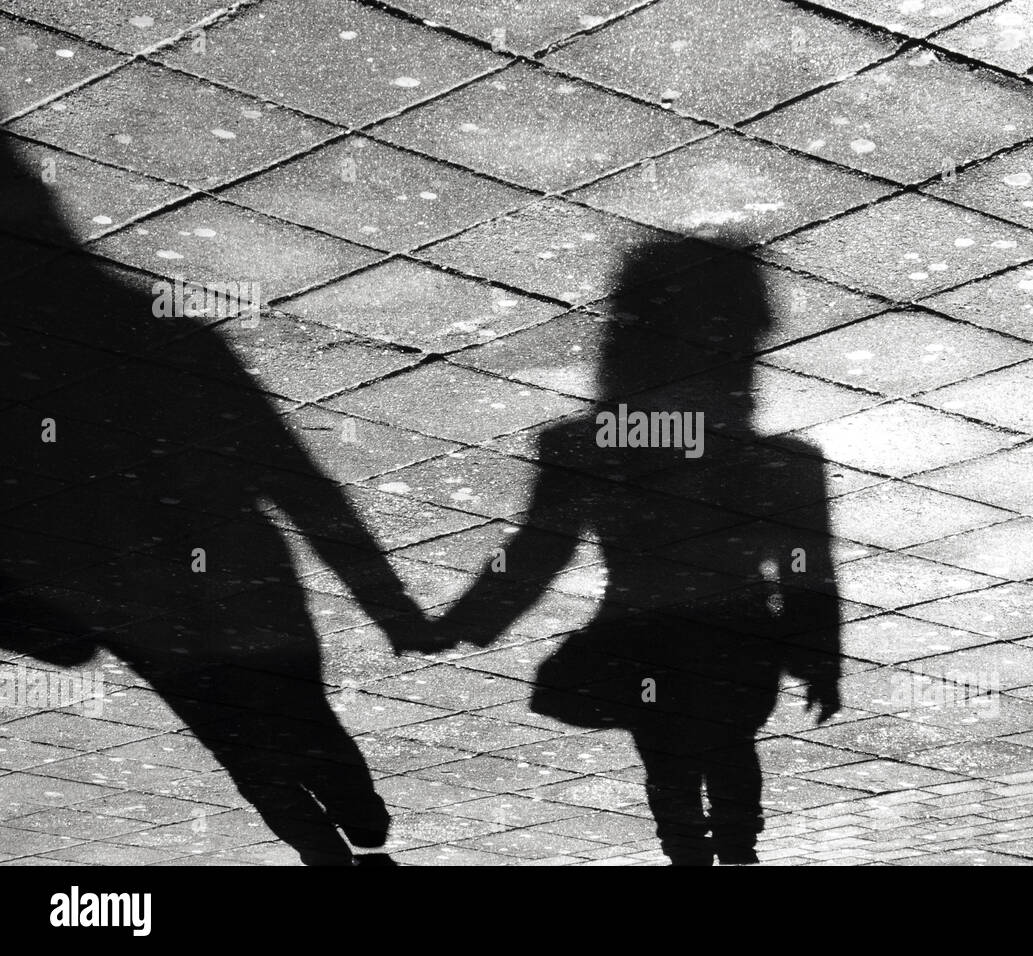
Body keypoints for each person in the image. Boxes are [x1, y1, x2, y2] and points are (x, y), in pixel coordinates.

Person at [0, 133, 432, 865]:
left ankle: (330, 848)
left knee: (241, 747)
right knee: (304, 720)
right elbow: (295, 480)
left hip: (136, 607)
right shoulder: (171, 336)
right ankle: (363, 830)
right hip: (240, 579)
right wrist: (384, 599)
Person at [410, 237, 843, 864]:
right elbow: (807, 571)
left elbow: (537, 552)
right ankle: (737, 853)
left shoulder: (586, 446)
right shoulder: (782, 464)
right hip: (743, 643)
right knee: (729, 748)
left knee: (666, 753)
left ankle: (687, 853)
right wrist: (817, 661)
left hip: (642, 639)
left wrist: (463, 621)